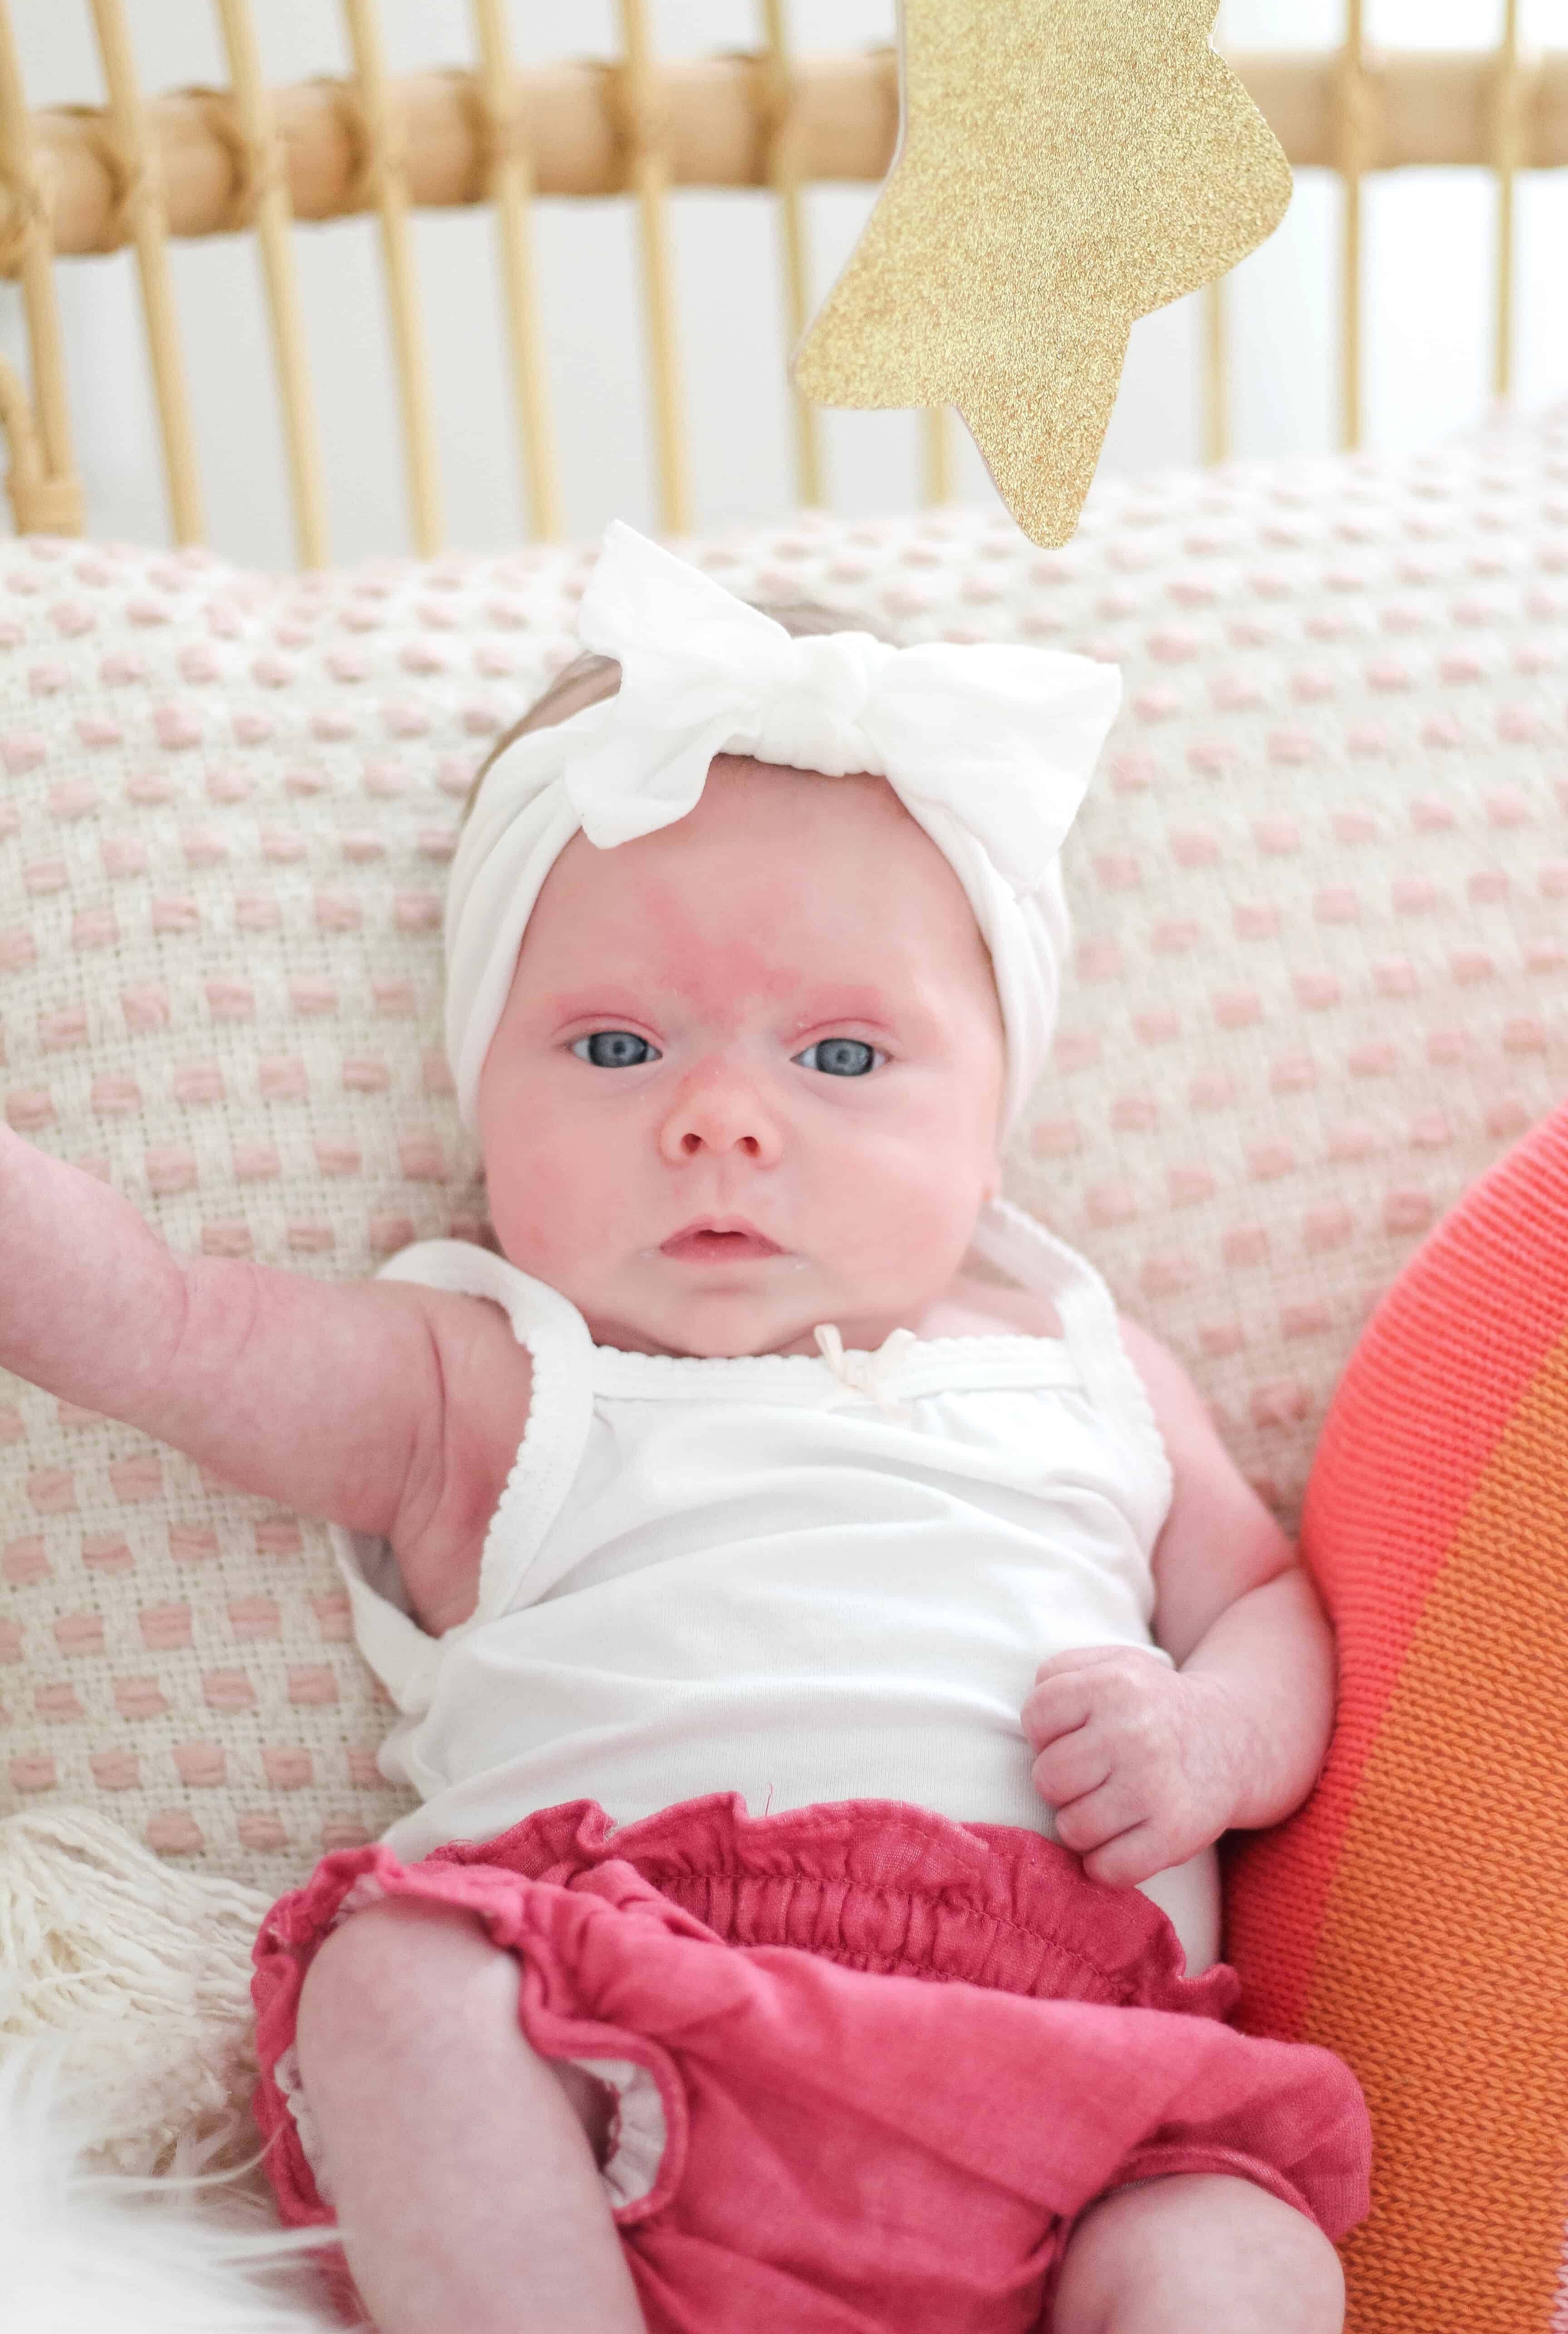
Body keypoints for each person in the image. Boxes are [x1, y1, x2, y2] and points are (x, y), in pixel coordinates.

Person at [0, 524, 1369, 2332]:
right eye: (618, 1050)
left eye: (846, 1060)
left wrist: (1211, 1737)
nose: (721, 1121)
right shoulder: (487, 1376)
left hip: (1060, 2084)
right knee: (396, 1984)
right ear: (481, 1086)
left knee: (1238, 2249)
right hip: (607, 2025)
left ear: (996, 1117)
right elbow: (160, 1325)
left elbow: (1266, 1599)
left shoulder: (1082, 1358)